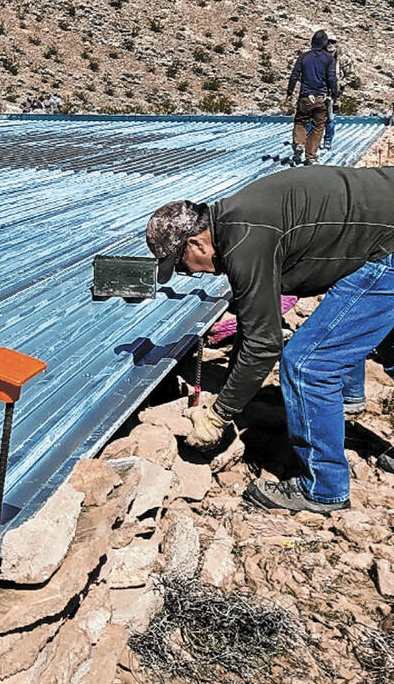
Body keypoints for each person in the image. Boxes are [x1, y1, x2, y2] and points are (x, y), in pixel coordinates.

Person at [145, 166, 394, 513]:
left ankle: (324, 489)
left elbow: (264, 344)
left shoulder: (244, 240)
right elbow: (253, 325)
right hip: (382, 227)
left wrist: (219, 415)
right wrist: (231, 393)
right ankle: (347, 398)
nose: (189, 274)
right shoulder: (235, 219)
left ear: (196, 242)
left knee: (308, 364)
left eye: (183, 265)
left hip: (388, 245)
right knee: (380, 341)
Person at [287, 29, 338, 165]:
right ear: (324, 43)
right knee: (318, 127)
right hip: (321, 98)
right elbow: (332, 78)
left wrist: (289, 92)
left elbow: (294, 75)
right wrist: (335, 94)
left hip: (305, 97)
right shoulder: (329, 58)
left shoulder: (303, 57)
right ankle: (311, 157)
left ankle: (299, 144)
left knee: (300, 121)